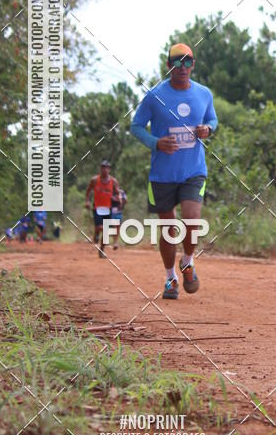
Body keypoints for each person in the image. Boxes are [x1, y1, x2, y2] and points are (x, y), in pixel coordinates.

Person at [130, 42, 217, 300]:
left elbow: (212, 119)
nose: (182, 67)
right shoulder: (154, 96)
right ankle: (170, 278)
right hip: (162, 175)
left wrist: (208, 130)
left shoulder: (204, 94)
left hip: (193, 170)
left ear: (193, 65)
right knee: (168, 230)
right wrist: (155, 143)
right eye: (177, 62)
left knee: (191, 220)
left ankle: (188, 262)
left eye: (187, 61)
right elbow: (136, 127)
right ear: (168, 66)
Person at [85, 160, 121, 258]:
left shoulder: (113, 181)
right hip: (97, 207)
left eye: (107, 167)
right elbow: (88, 191)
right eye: (103, 167)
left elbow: (118, 193)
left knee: (105, 230)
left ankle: (101, 250)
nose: (105, 169)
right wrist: (87, 201)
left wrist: (118, 199)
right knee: (100, 227)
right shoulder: (95, 180)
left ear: (109, 169)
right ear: (100, 169)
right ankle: (96, 233)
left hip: (108, 208)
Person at [110, 185, 127, 250]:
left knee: (118, 226)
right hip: (111, 210)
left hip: (119, 211)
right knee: (114, 225)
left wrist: (121, 205)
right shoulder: (110, 191)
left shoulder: (121, 192)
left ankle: (115, 241)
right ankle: (115, 242)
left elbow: (125, 200)